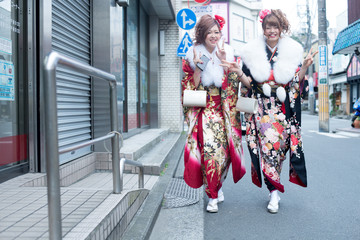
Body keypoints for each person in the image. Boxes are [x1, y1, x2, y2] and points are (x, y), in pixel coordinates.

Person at [221, 9, 317, 213]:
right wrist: (239, 73)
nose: (272, 30)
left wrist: (305, 66)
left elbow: (294, 84)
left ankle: (274, 186)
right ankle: (273, 192)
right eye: (268, 26)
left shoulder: (292, 51)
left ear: (282, 28)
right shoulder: (252, 52)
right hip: (261, 111)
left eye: (276, 26)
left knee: (279, 152)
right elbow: (248, 84)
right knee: (266, 151)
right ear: (263, 29)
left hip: (283, 112)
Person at [181, 14, 246, 213]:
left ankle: (217, 186)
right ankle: (212, 197)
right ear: (201, 34)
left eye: (216, 32)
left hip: (226, 111)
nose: (213, 35)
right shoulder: (193, 55)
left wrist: (226, 63)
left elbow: (236, 86)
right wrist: (198, 67)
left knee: (225, 155)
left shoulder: (229, 53)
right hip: (205, 111)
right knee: (211, 153)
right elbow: (189, 87)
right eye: (208, 32)